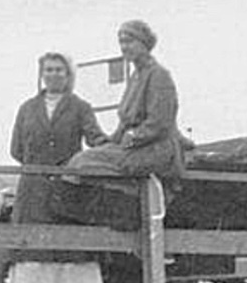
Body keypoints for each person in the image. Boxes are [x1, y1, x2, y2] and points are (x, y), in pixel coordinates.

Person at [4, 51, 107, 283]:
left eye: (59, 70)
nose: (53, 75)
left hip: (66, 190)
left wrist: (114, 149)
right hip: (33, 191)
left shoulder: (80, 107)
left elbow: (95, 139)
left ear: (68, 75)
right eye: (48, 70)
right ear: (41, 74)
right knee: (32, 250)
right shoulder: (27, 108)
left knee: (67, 250)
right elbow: (16, 149)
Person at [61, 19, 183, 179]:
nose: (124, 47)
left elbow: (160, 123)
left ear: (144, 43)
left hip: (156, 150)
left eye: (129, 41)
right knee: (82, 159)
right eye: (121, 42)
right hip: (136, 147)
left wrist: (134, 136)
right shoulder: (135, 77)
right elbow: (124, 124)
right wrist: (109, 142)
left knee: (83, 162)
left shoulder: (159, 75)